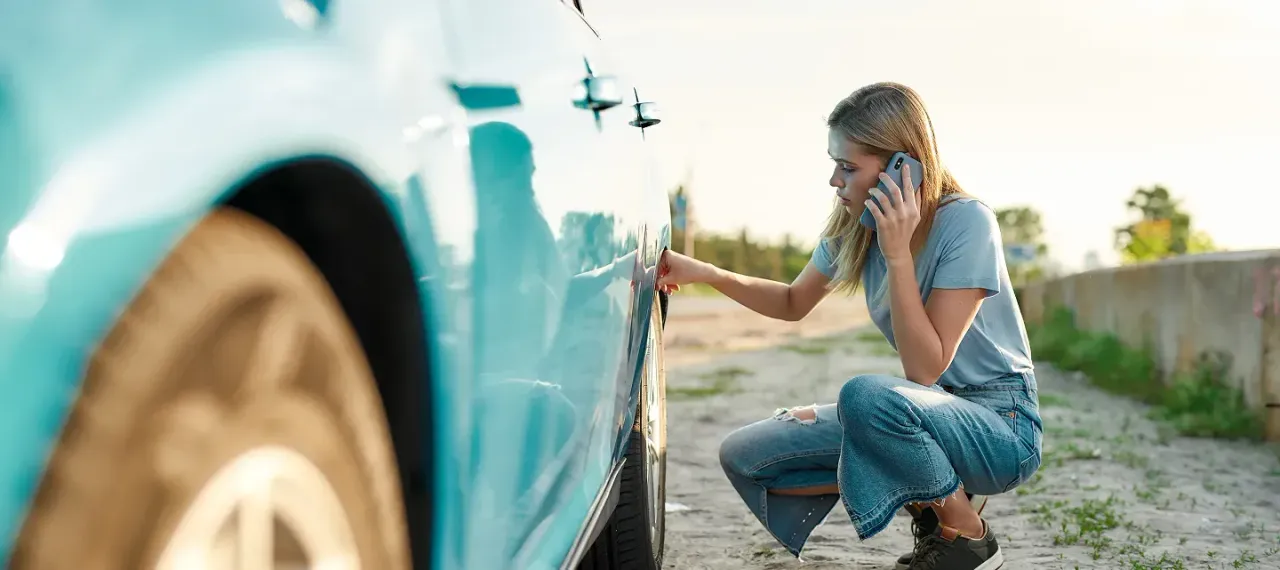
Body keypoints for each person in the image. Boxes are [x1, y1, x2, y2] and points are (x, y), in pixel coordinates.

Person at [656, 82, 1043, 570]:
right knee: (748, 454)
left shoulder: (967, 223)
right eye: (834, 163)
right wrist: (707, 274)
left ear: (903, 168)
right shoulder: (852, 227)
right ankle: (933, 492)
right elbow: (793, 301)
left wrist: (898, 253)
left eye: (848, 167)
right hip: (922, 414)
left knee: (864, 397)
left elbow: (924, 368)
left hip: (999, 425)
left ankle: (965, 536)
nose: (835, 181)